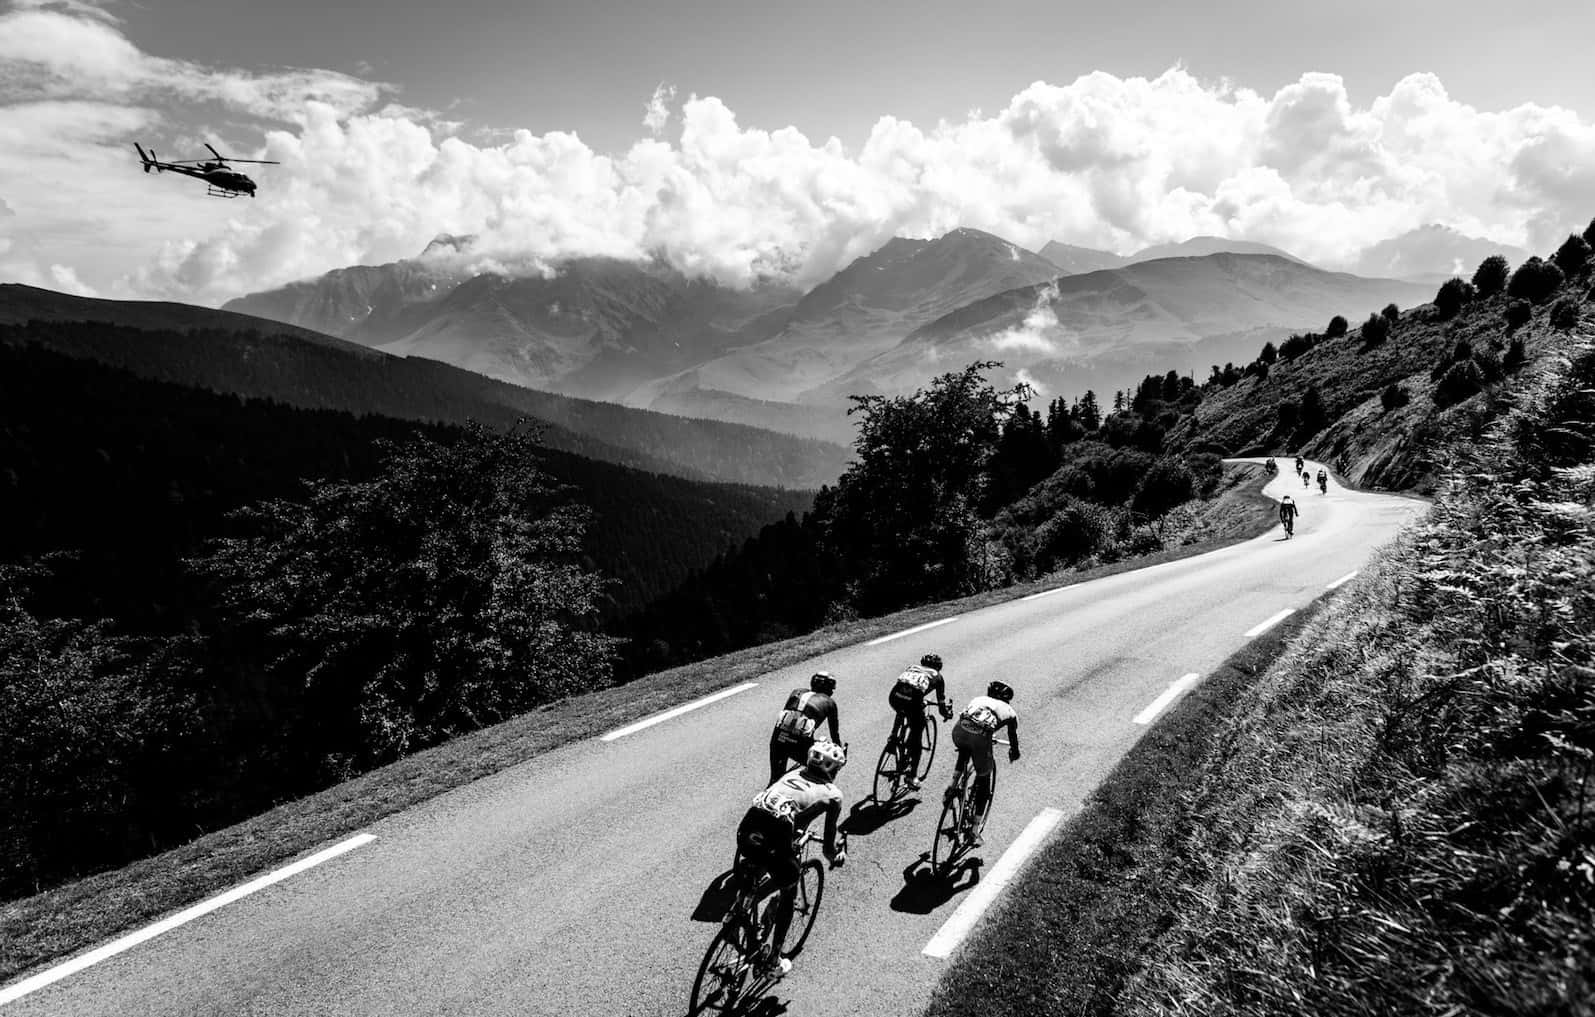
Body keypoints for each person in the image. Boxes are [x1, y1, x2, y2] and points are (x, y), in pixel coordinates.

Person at [735, 741, 847, 979]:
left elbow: (792, 815)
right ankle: (772, 961)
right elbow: (827, 848)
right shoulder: (833, 795)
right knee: (789, 886)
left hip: (747, 828)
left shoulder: (792, 773)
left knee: (760, 861)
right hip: (778, 834)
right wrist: (835, 855)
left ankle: (738, 912)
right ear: (834, 770)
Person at [946, 681, 1021, 846]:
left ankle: (952, 784)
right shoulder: (1010, 711)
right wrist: (1014, 751)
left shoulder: (978, 699)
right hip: (981, 737)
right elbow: (1013, 737)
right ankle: (974, 830)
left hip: (959, 731)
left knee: (965, 749)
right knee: (985, 783)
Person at [886, 653, 954, 790]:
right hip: (913, 701)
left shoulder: (912, 667)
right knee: (916, 737)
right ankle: (912, 776)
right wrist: (947, 714)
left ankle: (893, 736)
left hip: (893, 697)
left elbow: (906, 689)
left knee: (902, 710)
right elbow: (941, 707)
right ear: (938, 667)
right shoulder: (938, 677)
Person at [769, 671, 841, 785]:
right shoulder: (830, 702)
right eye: (832, 689)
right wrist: (840, 751)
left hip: (778, 740)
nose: (832, 691)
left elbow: (785, 722)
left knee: (775, 779)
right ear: (828, 688)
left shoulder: (796, 692)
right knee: (817, 775)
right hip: (800, 746)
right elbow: (834, 734)